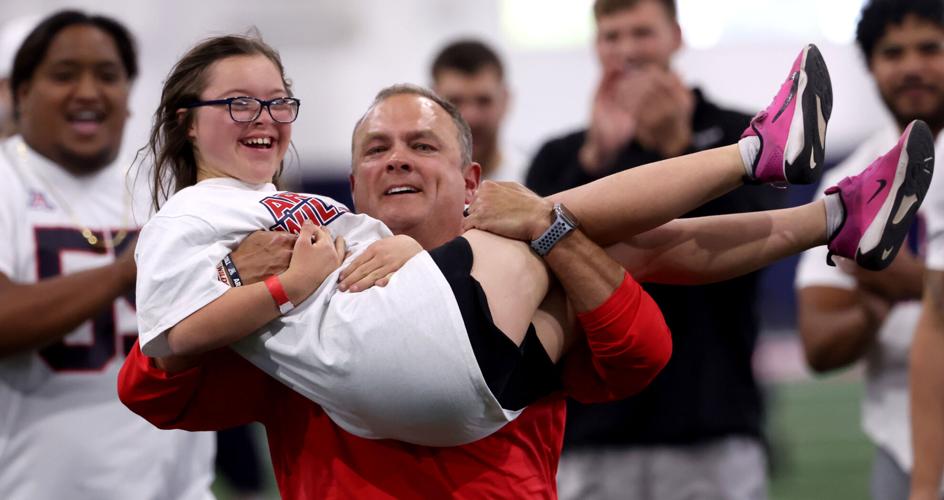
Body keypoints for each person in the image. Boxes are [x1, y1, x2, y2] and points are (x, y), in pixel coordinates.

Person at [120, 34, 930, 498]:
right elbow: (152, 381)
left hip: (486, 405)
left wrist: (551, 234)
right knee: (587, 223)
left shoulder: (482, 245)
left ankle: (822, 207)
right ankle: (803, 191)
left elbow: (641, 352)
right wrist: (252, 284)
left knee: (581, 227)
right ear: (354, 183)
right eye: (377, 149)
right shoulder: (297, 251)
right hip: (434, 371)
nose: (399, 160)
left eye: (424, 145)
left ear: (469, 179)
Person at [523, 0, 782, 497]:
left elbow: (754, 247)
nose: (627, 51)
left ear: (676, 36)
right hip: (592, 432)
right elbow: (539, 276)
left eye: (641, 33)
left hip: (712, 423)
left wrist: (676, 150)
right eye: (612, 36)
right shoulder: (560, 157)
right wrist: (594, 161)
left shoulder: (740, 138)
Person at [0, 11, 215, 499]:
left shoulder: (167, 183)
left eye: (107, 75)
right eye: (63, 74)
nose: (88, 91)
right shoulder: (6, 179)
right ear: (21, 94)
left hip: (177, 487)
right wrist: (125, 271)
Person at [796, 2, 944, 499]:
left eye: (930, 48)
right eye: (893, 52)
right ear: (871, 65)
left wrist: (912, 281)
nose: (911, 66)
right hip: (899, 438)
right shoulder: (853, 180)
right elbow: (818, 342)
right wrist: (883, 300)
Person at [430, 39, 527, 182]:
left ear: (505, 100)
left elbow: (561, 206)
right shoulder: (414, 186)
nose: (471, 117)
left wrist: (545, 205)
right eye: (454, 101)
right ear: (431, 103)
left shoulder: (540, 179)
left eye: (484, 101)